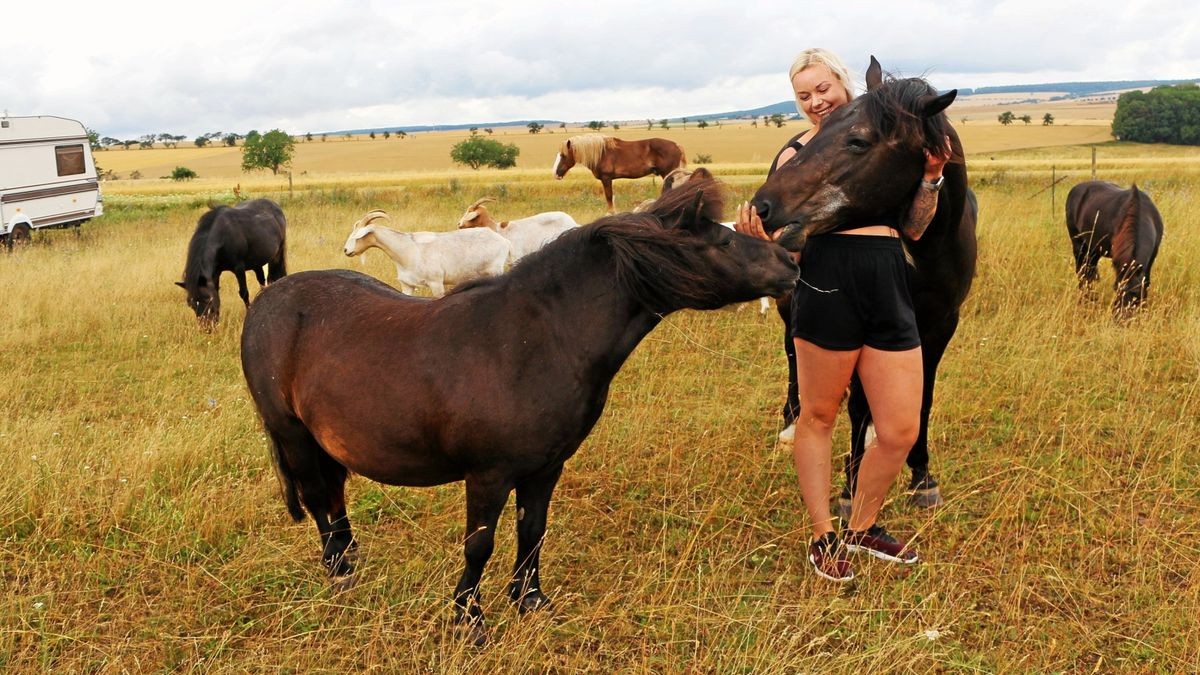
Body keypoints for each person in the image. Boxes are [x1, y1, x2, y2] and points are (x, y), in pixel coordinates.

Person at [736, 48, 950, 582]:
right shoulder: (795, 156)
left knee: (899, 429)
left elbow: (916, 229)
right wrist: (762, 244)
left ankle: (862, 525)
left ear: (843, 82)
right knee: (820, 416)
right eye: (803, 95)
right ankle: (822, 536)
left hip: (887, 279)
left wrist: (931, 177)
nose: (815, 102)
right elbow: (786, 247)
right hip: (827, 282)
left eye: (822, 88)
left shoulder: (885, 138)